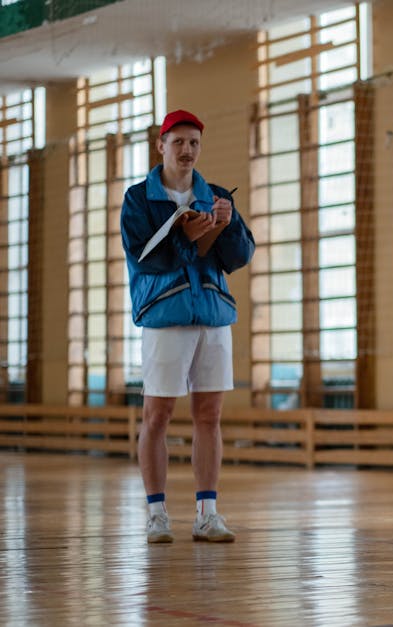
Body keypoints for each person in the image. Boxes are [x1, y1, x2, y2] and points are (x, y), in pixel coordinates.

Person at [121, 109, 255, 544]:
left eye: (194, 142)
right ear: (160, 145)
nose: (186, 150)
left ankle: (207, 512)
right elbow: (147, 257)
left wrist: (228, 225)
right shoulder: (138, 199)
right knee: (157, 415)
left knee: (209, 415)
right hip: (165, 317)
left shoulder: (214, 195)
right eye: (178, 141)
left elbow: (238, 257)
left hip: (213, 316)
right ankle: (157, 513)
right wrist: (185, 235)